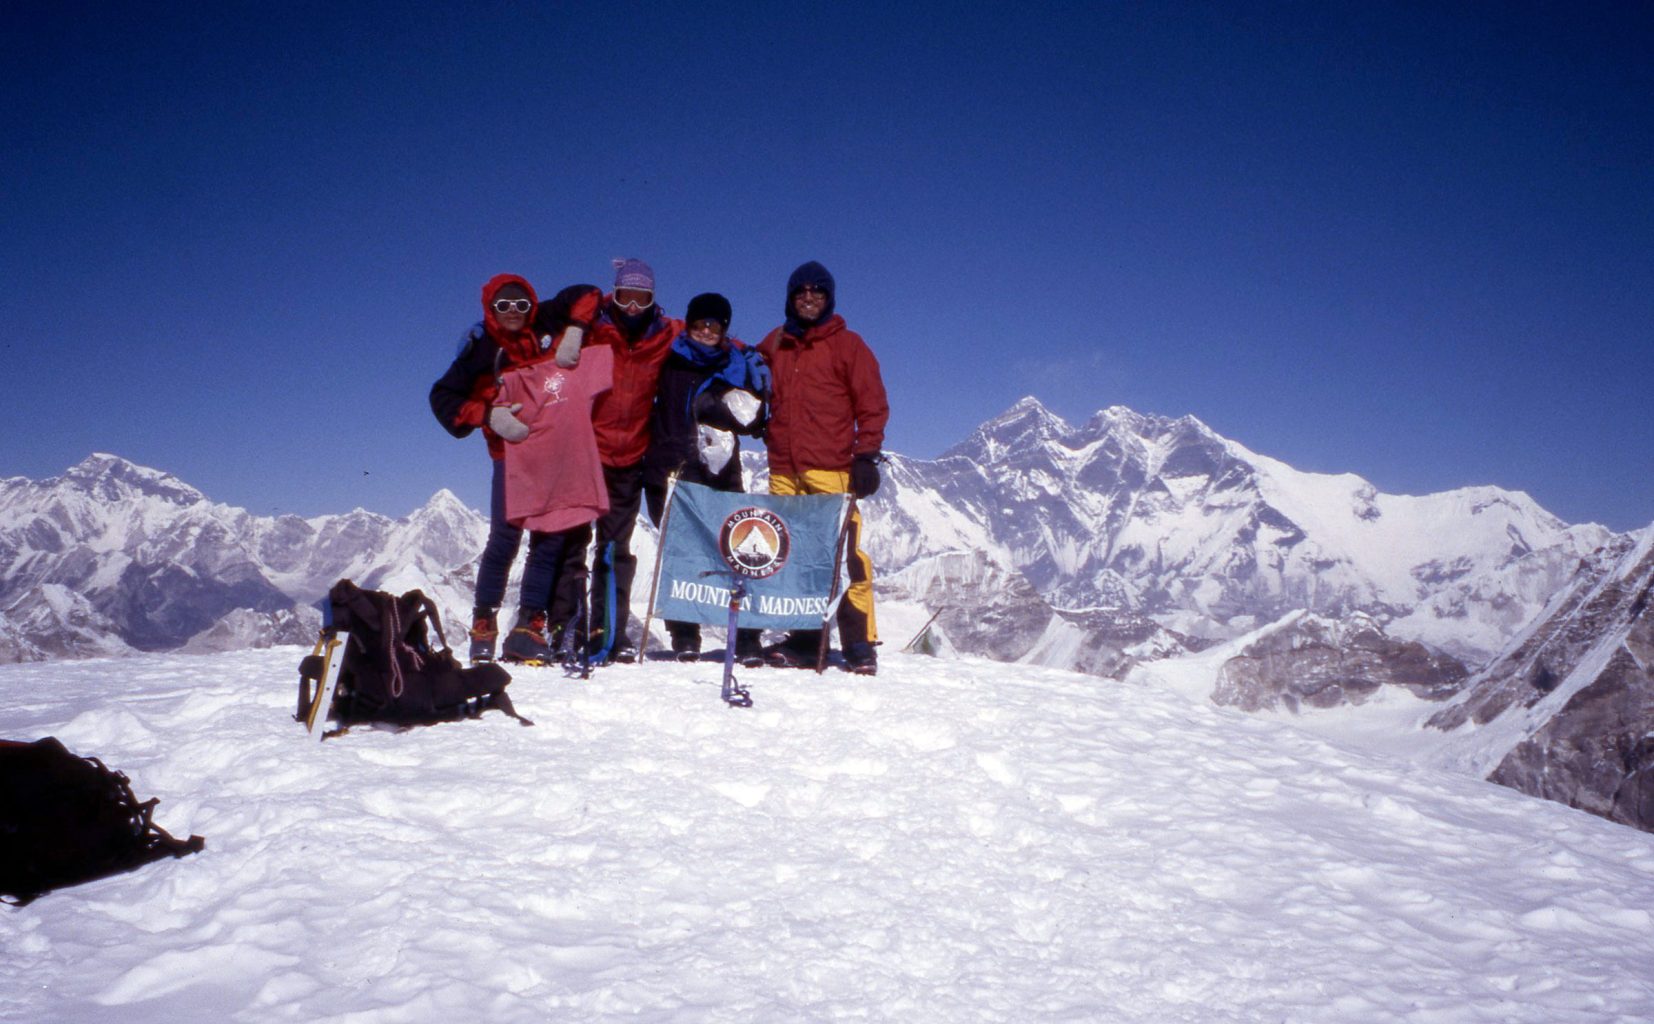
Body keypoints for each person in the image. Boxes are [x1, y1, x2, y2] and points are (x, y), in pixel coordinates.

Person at [428, 276, 602, 664]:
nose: (513, 313)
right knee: (505, 538)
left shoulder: (546, 320)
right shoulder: (481, 348)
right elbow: (442, 396)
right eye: (503, 306)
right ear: (489, 308)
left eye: (521, 305)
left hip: (556, 451)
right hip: (511, 453)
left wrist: (576, 328)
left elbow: (588, 293)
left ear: (532, 306)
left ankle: (529, 623)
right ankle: (484, 621)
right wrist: (488, 415)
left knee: (551, 536)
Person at [757, 261, 889, 675]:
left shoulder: (848, 345)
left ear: (829, 298)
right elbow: (748, 374)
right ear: (790, 299)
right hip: (784, 469)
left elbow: (871, 403)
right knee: (793, 558)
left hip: (830, 468)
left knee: (845, 558)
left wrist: (866, 456)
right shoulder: (775, 343)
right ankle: (805, 639)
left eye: (817, 292)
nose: (809, 298)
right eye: (801, 292)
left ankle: (859, 644)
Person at [561, 258, 681, 664]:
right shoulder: (595, 328)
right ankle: (566, 626)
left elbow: (708, 334)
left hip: (630, 456)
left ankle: (607, 629)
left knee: (615, 548)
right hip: (585, 452)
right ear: (615, 294)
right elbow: (569, 302)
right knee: (572, 543)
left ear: (652, 300)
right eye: (625, 296)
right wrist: (578, 323)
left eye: (641, 298)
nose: (632, 307)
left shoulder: (665, 334)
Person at [641, 292, 770, 664]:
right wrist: (654, 468)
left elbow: (754, 419)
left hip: (723, 469)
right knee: (683, 552)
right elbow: (651, 410)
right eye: (700, 323)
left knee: (740, 548)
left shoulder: (738, 365)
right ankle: (684, 635)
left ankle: (746, 637)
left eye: (715, 324)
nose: (707, 330)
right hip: (676, 466)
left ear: (725, 328)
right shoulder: (669, 360)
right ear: (690, 324)